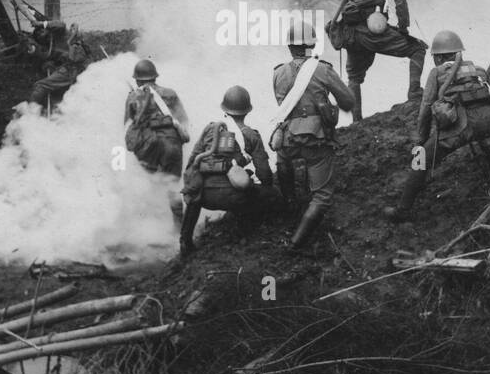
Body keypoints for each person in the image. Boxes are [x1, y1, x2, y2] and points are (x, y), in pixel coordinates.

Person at [383, 30, 490, 222]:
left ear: (439, 57)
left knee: (421, 158)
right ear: (459, 53)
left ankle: (403, 210)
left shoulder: (437, 73)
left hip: (462, 128)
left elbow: (425, 109)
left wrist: (421, 140)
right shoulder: (477, 69)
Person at [271, 19, 354, 253]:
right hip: (316, 139)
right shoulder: (322, 69)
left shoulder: (278, 73)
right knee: (323, 196)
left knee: (285, 164)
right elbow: (348, 101)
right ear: (311, 46)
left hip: (287, 140)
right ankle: (296, 243)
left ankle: (290, 209)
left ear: (290, 47)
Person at [326, 0, 427, 119]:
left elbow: (343, 6)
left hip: (354, 36)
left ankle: (356, 122)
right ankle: (414, 94)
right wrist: (403, 27)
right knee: (417, 49)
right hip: (375, 32)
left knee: (354, 78)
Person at [177, 85, 276, 256]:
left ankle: (185, 241)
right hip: (232, 198)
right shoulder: (252, 135)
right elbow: (265, 175)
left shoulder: (210, 130)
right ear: (247, 111)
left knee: (196, 190)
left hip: (201, 197)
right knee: (269, 193)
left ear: (225, 109)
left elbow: (192, 162)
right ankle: (245, 232)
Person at [123, 59, 190, 220]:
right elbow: (183, 119)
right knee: (173, 187)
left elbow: (128, 126)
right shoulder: (170, 93)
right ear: (155, 77)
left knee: (149, 180)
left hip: (148, 147)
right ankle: (178, 227)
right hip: (172, 144)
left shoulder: (133, 97)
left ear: (137, 79)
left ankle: (154, 222)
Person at [29, 23, 89, 113]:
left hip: (71, 69)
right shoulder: (54, 44)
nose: (41, 35)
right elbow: (50, 56)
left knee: (40, 86)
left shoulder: (62, 35)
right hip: (78, 69)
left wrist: (41, 23)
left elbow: (61, 24)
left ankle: (28, 113)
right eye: (38, 35)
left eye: (41, 32)